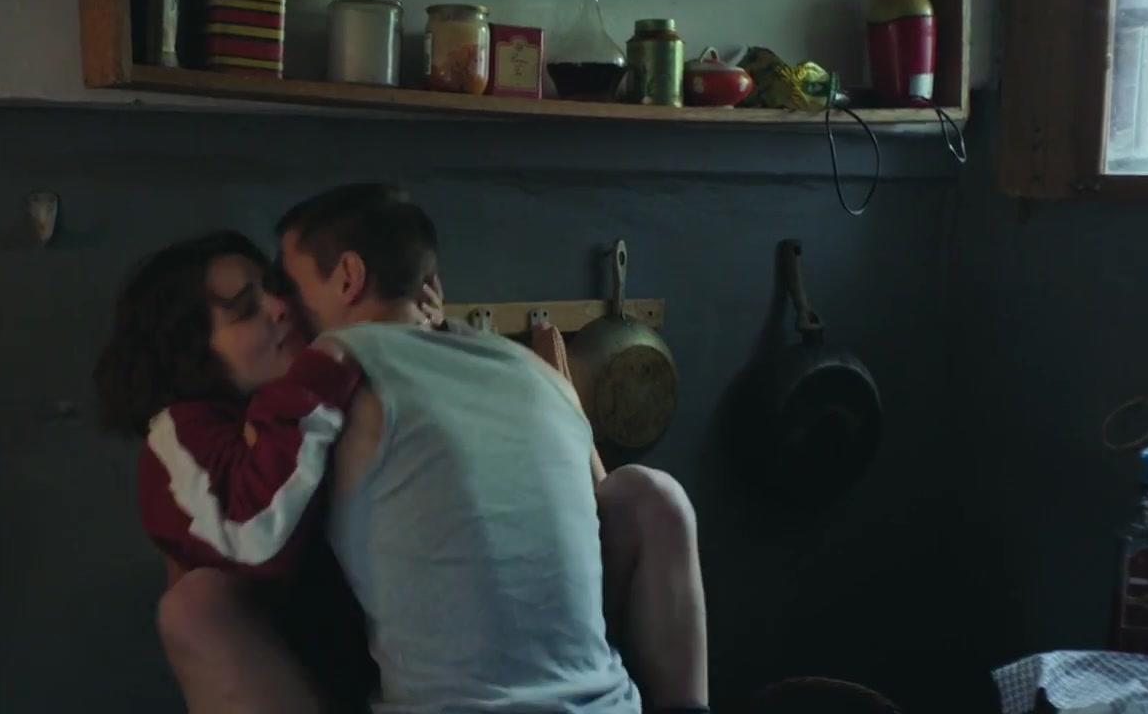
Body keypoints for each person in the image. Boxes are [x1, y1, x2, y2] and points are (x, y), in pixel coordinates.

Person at [94, 189, 706, 713]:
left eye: (282, 289)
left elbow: (584, 509)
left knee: (647, 495)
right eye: (248, 309)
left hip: (447, 665)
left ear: (349, 279)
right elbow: (244, 541)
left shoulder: (340, 382)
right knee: (194, 603)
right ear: (192, 349)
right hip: (346, 663)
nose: (282, 309)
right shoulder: (212, 432)